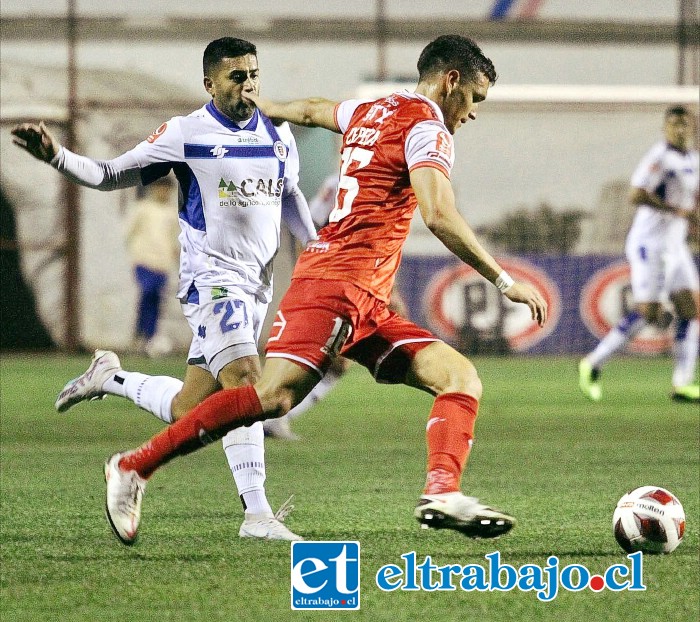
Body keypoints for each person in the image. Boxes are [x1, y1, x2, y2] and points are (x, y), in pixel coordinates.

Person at [65, 34, 547, 546]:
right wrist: (504, 279)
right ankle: (134, 467)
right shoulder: (428, 127)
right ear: (451, 81)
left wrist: (271, 108)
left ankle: (442, 492)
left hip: (365, 298)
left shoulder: (375, 107)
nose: (472, 113)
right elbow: (439, 214)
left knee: (460, 379)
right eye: (475, 98)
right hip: (339, 284)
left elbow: (316, 110)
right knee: (269, 397)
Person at [11, 37, 320, 541]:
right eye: (236, 76)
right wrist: (56, 157)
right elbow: (111, 175)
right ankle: (257, 515)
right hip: (211, 282)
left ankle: (108, 377)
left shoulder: (277, 131)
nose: (249, 84)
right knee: (246, 380)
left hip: (255, 287)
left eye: (254, 74)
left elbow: (290, 196)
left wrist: (316, 249)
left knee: (189, 410)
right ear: (209, 84)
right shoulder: (185, 134)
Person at [579, 105, 699, 403]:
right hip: (651, 244)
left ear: (692, 128)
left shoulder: (694, 160)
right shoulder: (659, 157)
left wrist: (691, 220)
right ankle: (592, 363)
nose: (679, 130)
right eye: (673, 125)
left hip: (675, 245)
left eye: (684, 124)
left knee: (691, 309)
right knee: (649, 312)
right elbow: (636, 193)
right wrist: (677, 211)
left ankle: (682, 383)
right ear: (665, 129)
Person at [124, 175, 180, 355]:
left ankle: (149, 337)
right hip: (144, 261)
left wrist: (175, 254)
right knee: (147, 292)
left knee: (156, 299)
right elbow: (129, 232)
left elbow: (173, 239)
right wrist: (136, 251)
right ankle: (142, 332)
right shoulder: (143, 209)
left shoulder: (171, 213)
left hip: (162, 264)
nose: (163, 192)